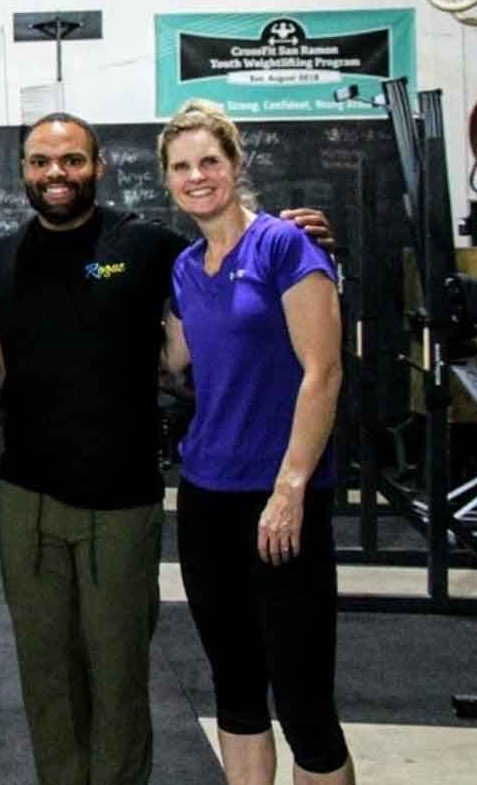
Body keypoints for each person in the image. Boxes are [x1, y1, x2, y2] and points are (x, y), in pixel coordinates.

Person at [0, 112, 332, 785]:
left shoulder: (155, 248)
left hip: (124, 499)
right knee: (49, 673)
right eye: (41, 161)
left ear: (100, 167)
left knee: (122, 669)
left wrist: (307, 238)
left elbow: (250, 272)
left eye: (72, 160)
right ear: (24, 173)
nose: (56, 173)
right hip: (33, 496)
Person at [157, 100, 353, 785]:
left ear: (236, 165)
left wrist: (291, 488)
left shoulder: (284, 246)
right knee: (236, 692)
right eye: (182, 167)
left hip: (282, 500)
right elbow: (173, 363)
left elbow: (323, 373)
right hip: (208, 497)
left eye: (210, 161)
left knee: (304, 703)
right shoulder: (185, 268)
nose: (197, 176)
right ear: (169, 181)